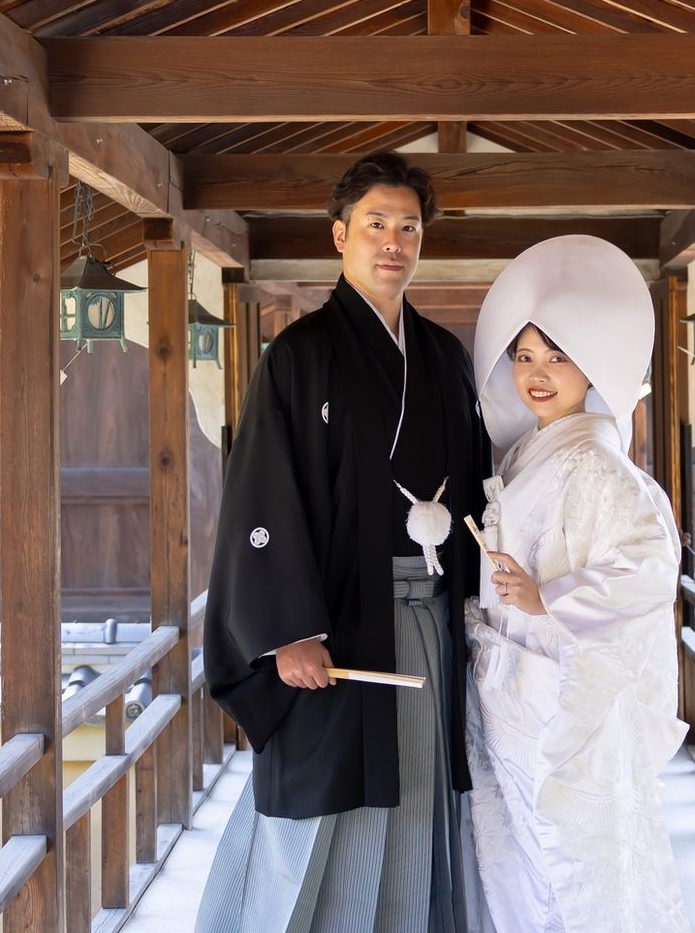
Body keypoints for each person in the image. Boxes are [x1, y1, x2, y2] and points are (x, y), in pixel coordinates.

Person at [197, 151, 490, 933]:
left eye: (409, 228)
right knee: (323, 812)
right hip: (335, 625)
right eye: (375, 225)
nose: (393, 242)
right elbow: (261, 494)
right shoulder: (300, 355)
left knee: (419, 800)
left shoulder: (443, 356)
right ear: (339, 235)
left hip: (426, 623)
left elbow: (477, 489)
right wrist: (287, 631)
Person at [463, 235, 690, 933]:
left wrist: (549, 597)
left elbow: (651, 563)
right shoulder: (532, 450)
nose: (537, 374)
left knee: (570, 860)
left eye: (557, 357)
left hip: (561, 695)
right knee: (521, 861)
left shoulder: (593, 458)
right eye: (524, 356)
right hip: (518, 684)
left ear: (589, 365)